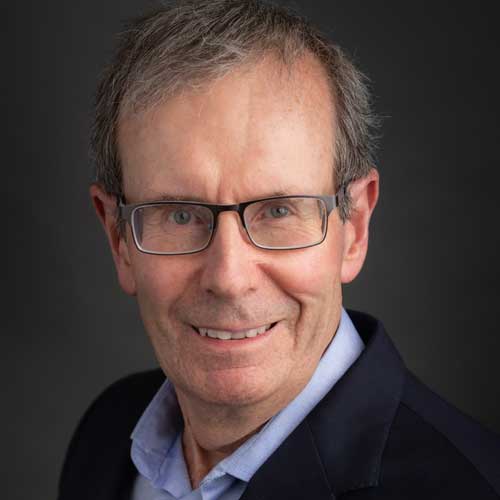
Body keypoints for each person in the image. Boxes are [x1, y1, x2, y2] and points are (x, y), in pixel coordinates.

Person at [58, 1, 500, 499]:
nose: (228, 277)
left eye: (279, 211)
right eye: (181, 215)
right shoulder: (104, 435)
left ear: (353, 227)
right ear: (119, 240)